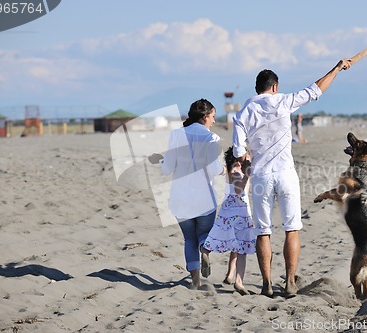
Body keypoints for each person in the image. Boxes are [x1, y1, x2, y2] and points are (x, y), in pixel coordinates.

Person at [232, 59, 352, 297]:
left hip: (261, 176)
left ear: (257, 88)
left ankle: (266, 284)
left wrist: (248, 156)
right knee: (291, 228)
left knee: (263, 231)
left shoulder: (244, 111)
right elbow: (316, 89)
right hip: (285, 174)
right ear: (274, 87)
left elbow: (237, 152)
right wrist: (337, 68)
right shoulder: (283, 101)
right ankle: (289, 282)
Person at [149, 98, 225, 289]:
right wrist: (225, 170)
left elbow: (167, 169)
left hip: (180, 199)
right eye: (213, 117)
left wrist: (159, 160)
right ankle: (204, 250)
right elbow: (214, 170)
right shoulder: (211, 138)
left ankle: (196, 282)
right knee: (204, 234)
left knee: (189, 238)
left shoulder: (176, 135)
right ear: (205, 116)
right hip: (204, 198)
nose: (214, 121)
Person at [203, 147, 256, 296]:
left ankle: (208, 252)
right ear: (241, 159)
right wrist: (247, 174)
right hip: (239, 211)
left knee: (225, 238)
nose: (249, 160)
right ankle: (238, 282)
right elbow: (239, 191)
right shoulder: (236, 171)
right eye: (248, 158)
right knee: (242, 249)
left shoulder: (230, 170)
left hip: (228, 209)